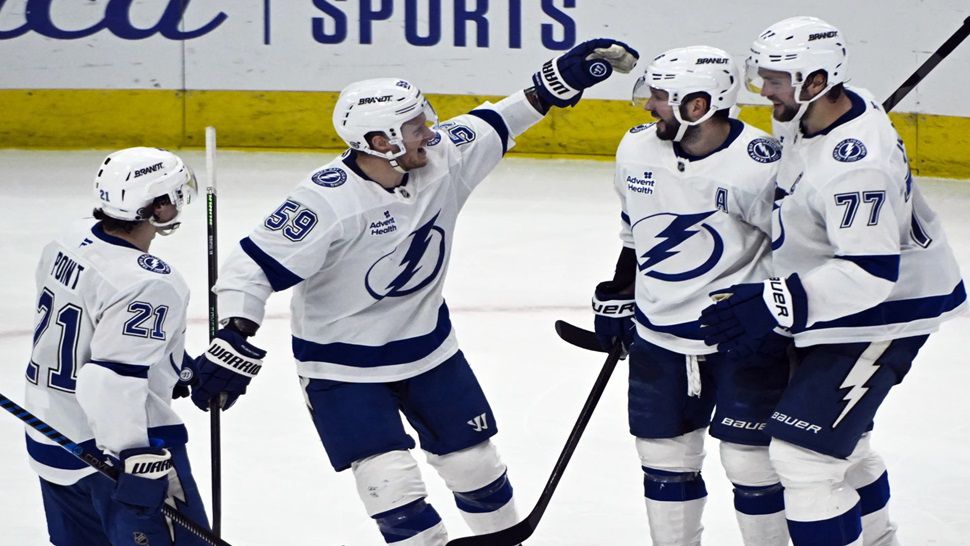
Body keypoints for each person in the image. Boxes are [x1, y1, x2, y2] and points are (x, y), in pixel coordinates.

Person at [188, 39, 639, 544]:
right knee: (391, 486)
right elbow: (248, 269)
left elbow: (501, 119)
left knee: (477, 467)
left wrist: (559, 81)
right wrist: (233, 336)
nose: (431, 130)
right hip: (342, 367)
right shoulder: (325, 203)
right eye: (415, 125)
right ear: (380, 141)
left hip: (429, 351)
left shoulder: (443, 157)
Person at [699, 16, 967, 546]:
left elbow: (871, 273)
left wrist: (777, 301)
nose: (762, 89)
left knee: (803, 458)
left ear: (817, 82)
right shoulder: (820, 110)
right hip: (840, 301)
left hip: (888, 308)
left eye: (775, 79)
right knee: (843, 442)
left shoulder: (856, 168)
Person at [592, 46, 790, 545]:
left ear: (698, 105)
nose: (648, 105)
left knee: (750, 460)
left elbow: (800, 252)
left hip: (742, 338)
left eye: (660, 96)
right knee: (663, 461)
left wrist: (780, 311)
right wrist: (622, 290)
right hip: (659, 337)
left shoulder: (760, 167)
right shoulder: (636, 148)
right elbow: (635, 232)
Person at [23, 147, 211, 545]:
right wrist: (132, 457)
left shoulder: (68, 238)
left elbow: (96, 330)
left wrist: (172, 366)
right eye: (175, 194)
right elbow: (109, 381)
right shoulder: (149, 282)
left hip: (52, 433)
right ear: (158, 206)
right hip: (118, 452)